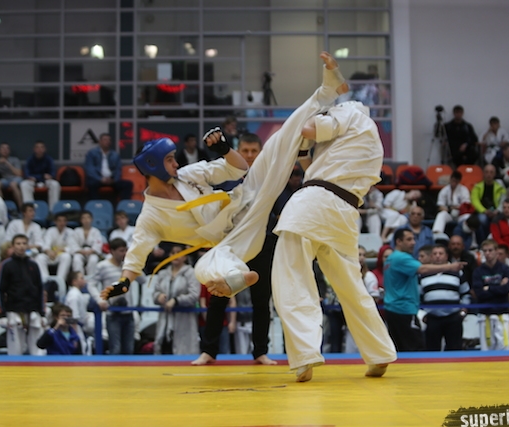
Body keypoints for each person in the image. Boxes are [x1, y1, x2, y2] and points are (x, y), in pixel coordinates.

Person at [101, 51, 348, 303]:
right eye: (169, 160)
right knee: (203, 266)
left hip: (244, 202)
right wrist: (124, 282)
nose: (176, 163)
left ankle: (328, 89)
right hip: (234, 240)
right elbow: (136, 254)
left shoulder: (186, 175)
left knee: (278, 142)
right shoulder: (150, 218)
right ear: (153, 168)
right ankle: (236, 276)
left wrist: (225, 150)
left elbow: (238, 169)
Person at [271, 96, 397, 382]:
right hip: (345, 210)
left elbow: (308, 128)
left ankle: (305, 355)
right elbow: (315, 166)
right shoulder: (370, 136)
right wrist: (305, 151)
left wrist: (313, 109)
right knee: (351, 286)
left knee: (291, 277)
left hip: (313, 203)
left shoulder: (346, 113)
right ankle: (378, 351)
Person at [192, 133, 278, 366]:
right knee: (218, 297)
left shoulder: (269, 177)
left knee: (261, 299)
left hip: (261, 243)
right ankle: (208, 351)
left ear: (260, 153)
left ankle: (260, 351)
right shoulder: (226, 175)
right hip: (229, 243)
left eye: (254, 151)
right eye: (245, 151)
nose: (249, 155)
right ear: (238, 151)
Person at [384, 229, 465, 352]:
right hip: (403, 309)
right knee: (416, 349)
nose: (413, 242)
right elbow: (422, 269)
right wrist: (450, 267)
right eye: (409, 239)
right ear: (398, 241)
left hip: (394, 309)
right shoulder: (401, 258)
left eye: (414, 239)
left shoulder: (390, 258)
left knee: (401, 349)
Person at [89, 238, 141, 355]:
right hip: (113, 313)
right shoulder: (103, 266)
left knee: (129, 350)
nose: (124, 253)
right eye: (121, 251)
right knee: (115, 349)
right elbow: (91, 284)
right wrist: (100, 300)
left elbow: (143, 280)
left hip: (128, 312)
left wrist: (134, 265)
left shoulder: (128, 266)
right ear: (112, 251)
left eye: (126, 250)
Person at [0, 234, 46, 356]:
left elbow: (40, 289)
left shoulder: (33, 265)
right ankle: (14, 367)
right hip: (14, 310)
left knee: (38, 349)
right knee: (15, 349)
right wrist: (2, 313)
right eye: (18, 244)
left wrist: (42, 313)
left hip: (33, 310)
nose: (21, 246)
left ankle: (39, 367)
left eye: (24, 243)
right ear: (13, 246)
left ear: (28, 246)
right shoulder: (6, 265)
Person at [420, 245, 471, 351]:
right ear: (431, 257)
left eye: (440, 253)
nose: (437, 256)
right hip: (432, 318)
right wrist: (423, 314)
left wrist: (463, 311)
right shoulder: (424, 273)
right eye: (435, 254)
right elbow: (418, 296)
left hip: (453, 317)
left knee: (455, 350)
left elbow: (466, 293)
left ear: (446, 256)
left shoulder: (457, 272)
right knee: (432, 352)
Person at [152, 244, 200, 355]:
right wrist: (158, 297)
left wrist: (176, 300)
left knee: (184, 353)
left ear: (185, 256)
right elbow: (155, 293)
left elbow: (194, 295)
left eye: (179, 253)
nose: (175, 255)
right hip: (165, 320)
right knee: (163, 352)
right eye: (173, 253)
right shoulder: (163, 273)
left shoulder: (191, 273)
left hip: (184, 320)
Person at [471, 240, 509, 351]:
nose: (487, 253)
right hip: (485, 314)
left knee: (504, 348)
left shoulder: (505, 269)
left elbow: (506, 289)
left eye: (490, 250)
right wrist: (498, 286)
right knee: (486, 350)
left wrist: (489, 288)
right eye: (485, 251)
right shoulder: (478, 271)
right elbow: (479, 293)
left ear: (496, 251)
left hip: (502, 312)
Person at [84, 133, 133, 201]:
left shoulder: (115, 154)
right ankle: (95, 205)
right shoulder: (92, 153)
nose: (107, 141)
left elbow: (118, 169)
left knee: (128, 184)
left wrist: (114, 180)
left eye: (109, 140)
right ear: (100, 141)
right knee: (91, 184)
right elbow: (89, 168)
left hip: (111, 179)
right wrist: (100, 179)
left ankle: (123, 205)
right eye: (105, 140)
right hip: (97, 179)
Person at [471, 164, 506, 246]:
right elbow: (474, 201)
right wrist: (484, 211)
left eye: (491, 172)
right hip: (483, 212)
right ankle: (483, 243)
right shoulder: (477, 187)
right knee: (482, 220)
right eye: (486, 172)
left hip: (497, 212)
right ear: (483, 173)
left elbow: (503, 200)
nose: (489, 174)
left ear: (494, 174)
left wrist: (498, 210)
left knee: (499, 220)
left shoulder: (500, 187)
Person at [20, 141, 61, 209]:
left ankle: (53, 210)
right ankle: (29, 209)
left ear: (44, 149)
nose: (39, 149)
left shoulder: (49, 159)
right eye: (37, 147)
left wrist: (50, 176)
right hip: (33, 181)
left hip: (46, 181)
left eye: (41, 147)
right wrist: (38, 176)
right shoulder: (30, 159)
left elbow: (53, 173)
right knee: (24, 184)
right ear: (34, 149)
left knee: (55, 184)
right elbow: (27, 174)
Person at [35, 213, 74, 282]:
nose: (62, 223)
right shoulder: (50, 231)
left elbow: (72, 247)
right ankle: (46, 280)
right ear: (55, 222)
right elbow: (46, 245)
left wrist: (62, 249)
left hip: (61, 255)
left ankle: (60, 281)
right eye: (59, 221)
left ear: (66, 222)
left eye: (64, 221)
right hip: (51, 254)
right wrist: (49, 251)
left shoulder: (70, 232)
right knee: (40, 257)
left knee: (66, 257)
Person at [65, 271, 93, 354]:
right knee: (81, 350)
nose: (84, 280)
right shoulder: (74, 295)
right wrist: (75, 336)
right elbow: (73, 317)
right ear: (74, 281)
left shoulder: (77, 293)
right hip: (75, 327)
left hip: (79, 327)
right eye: (81, 278)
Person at [71, 210, 104, 277]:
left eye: (88, 217)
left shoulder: (96, 231)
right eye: (84, 218)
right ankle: (79, 278)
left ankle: (91, 278)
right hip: (80, 252)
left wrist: (90, 251)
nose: (86, 220)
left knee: (93, 259)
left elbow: (98, 245)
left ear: (91, 219)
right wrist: (81, 251)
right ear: (81, 220)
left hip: (92, 252)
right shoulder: (76, 231)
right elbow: (73, 244)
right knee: (76, 259)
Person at [0, 142, 23, 208]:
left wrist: (7, 163)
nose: (5, 150)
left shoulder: (15, 159)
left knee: (13, 184)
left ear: (9, 151)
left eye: (7, 148)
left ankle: (21, 208)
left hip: (15, 178)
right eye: (3, 148)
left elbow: (19, 174)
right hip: (5, 179)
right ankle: (1, 207)